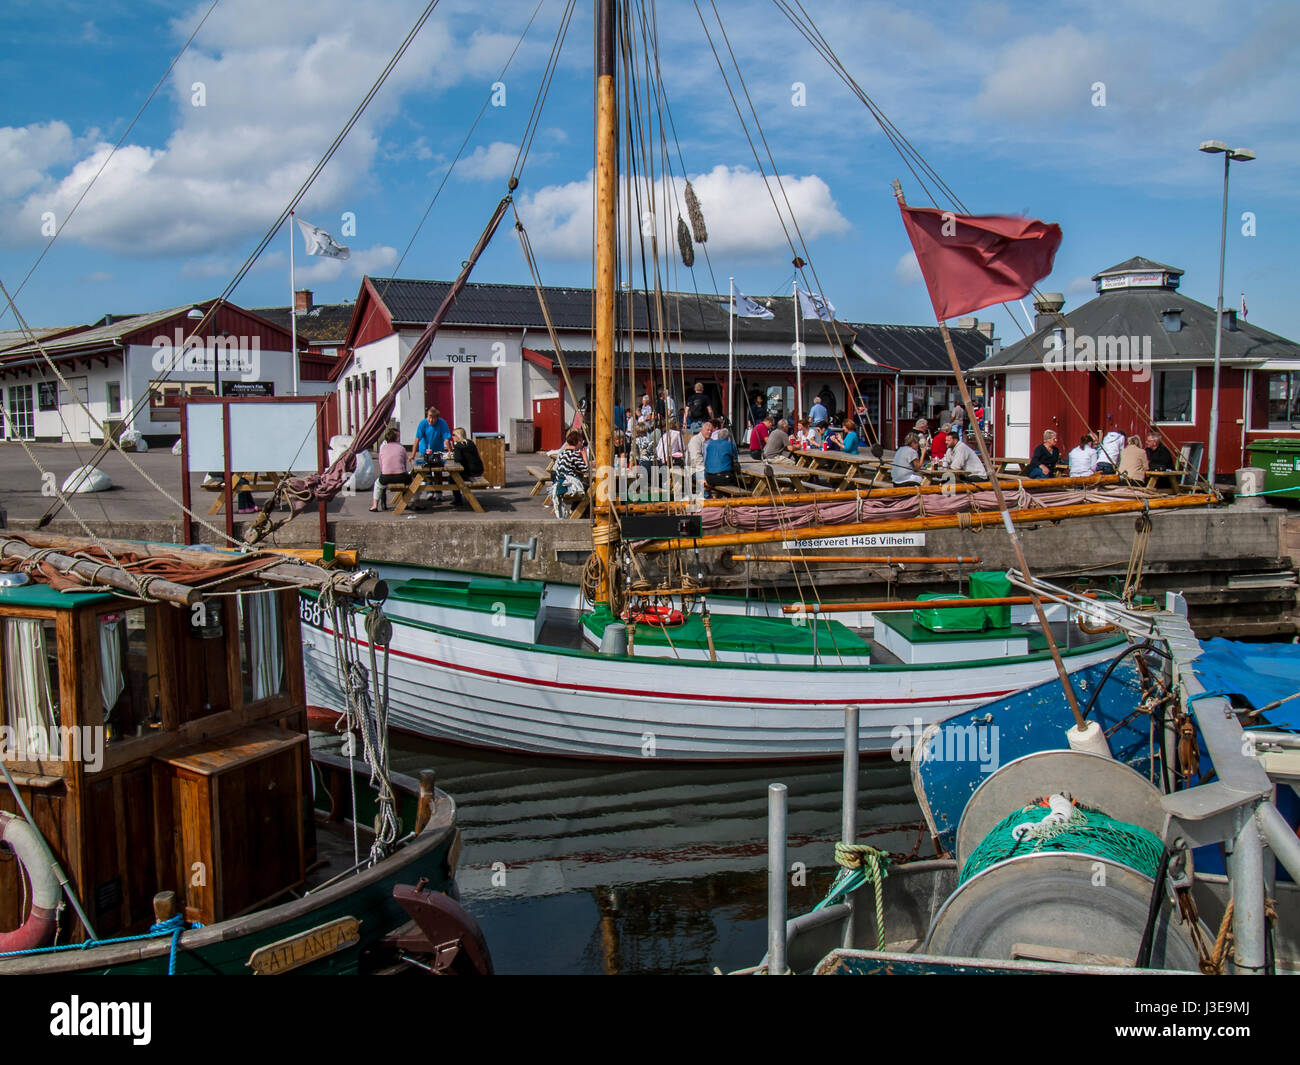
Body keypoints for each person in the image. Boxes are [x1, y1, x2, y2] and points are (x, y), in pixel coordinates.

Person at [371, 426, 412, 512]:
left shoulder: (382, 448)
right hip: (401, 476)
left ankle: (375, 506)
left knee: (378, 484)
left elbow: (381, 465)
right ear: (396, 438)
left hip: (386, 476)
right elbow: (404, 464)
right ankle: (415, 502)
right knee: (414, 482)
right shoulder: (401, 448)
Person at [550, 430, 589, 516]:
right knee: (589, 488)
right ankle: (578, 511)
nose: (582, 444)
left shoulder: (563, 452)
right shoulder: (574, 454)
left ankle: (574, 509)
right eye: (581, 441)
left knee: (585, 486)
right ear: (577, 442)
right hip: (568, 484)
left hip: (558, 480)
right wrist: (584, 456)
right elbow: (585, 469)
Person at [704, 427, 740, 492]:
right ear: (728, 437)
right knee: (739, 482)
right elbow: (736, 461)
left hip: (709, 477)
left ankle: (720, 497)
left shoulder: (710, 444)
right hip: (723, 478)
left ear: (718, 436)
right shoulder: (731, 445)